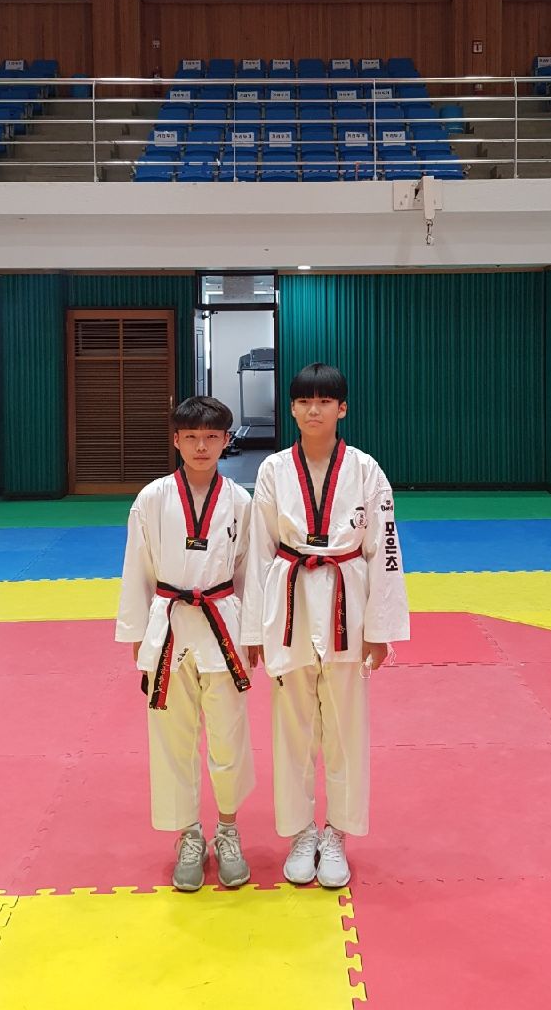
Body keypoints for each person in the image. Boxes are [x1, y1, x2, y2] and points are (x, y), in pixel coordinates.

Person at [242, 363, 410, 889]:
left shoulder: (366, 470)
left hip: (347, 602)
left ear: (343, 409)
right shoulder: (273, 470)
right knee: (291, 727)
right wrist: (253, 632)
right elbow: (258, 552)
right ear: (292, 409)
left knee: (345, 727)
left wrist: (380, 627)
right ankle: (300, 834)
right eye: (304, 401)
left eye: (325, 401)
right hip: (289, 602)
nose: (314, 410)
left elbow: (385, 550)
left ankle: (336, 833)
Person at [115, 395, 254, 892]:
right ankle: (188, 834)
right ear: (175, 440)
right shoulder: (152, 499)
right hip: (169, 626)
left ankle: (229, 830)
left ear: (225, 441)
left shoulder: (240, 501)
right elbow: (136, 568)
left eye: (211, 437)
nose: (201, 447)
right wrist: (137, 634)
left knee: (228, 736)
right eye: (191, 437)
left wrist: (254, 635)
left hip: (223, 625)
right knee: (172, 739)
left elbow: (250, 572)